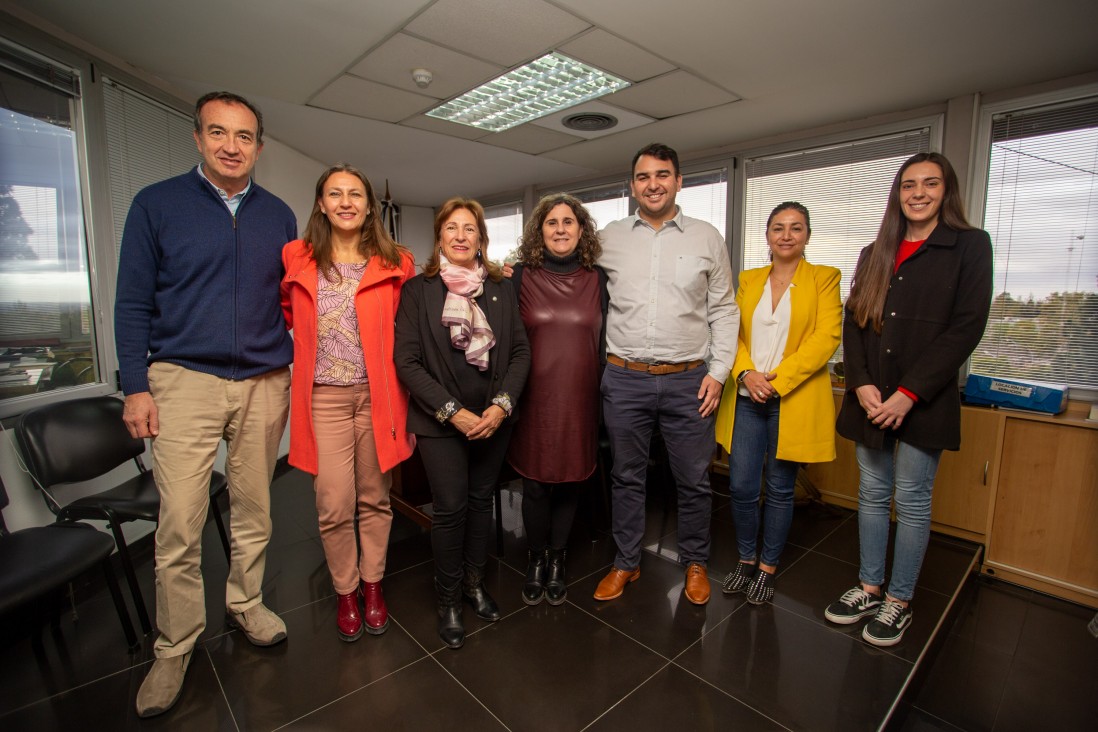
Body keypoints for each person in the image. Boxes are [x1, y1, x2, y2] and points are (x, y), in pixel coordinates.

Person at [115, 91, 295, 717]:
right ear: (197, 138)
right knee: (181, 522)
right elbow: (132, 302)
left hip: (265, 380)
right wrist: (136, 385)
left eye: (244, 136)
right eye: (218, 133)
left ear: (259, 147)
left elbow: (291, 296)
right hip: (182, 379)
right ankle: (176, 644)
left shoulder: (278, 215)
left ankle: (246, 604)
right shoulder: (156, 205)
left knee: (255, 506)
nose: (230, 146)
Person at [824, 152, 992, 646]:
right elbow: (853, 323)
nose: (918, 193)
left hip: (924, 399)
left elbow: (967, 328)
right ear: (897, 194)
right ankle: (869, 587)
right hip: (870, 396)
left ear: (947, 190)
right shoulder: (875, 251)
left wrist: (909, 393)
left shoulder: (969, 246)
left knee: (912, 501)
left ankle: (898, 602)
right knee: (872, 495)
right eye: (908, 185)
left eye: (930, 183)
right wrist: (860, 383)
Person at [593, 143, 739, 606]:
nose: (652, 184)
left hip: (689, 380)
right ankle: (626, 562)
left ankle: (695, 562)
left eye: (662, 175)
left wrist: (718, 373)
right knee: (626, 477)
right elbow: (569, 281)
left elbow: (724, 309)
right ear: (632, 185)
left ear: (679, 181)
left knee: (694, 478)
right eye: (643, 176)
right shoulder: (607, 238)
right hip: (625, 378)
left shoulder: (706, 237)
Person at [280, 164, 415, 642]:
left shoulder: (396, 260)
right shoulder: (297, 256)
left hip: (378, 397)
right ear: (320, 203)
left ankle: (373, 586)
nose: (345, 202)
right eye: (334, 193)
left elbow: (411, 328)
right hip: (324, 399)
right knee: (333, 502)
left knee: (375, 498)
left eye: (355, 194)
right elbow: (283, 313)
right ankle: (345, 589)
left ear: (368, 205)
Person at [394, 198, 530, 648]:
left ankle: (474, 584)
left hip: (494, 420)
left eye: (469, 228)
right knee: (450, 509)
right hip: (441, 422)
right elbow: (407, 362)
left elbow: (519, 353)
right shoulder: (419, 291)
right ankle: (448, 598)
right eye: (451, 227)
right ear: (439, 236)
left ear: (481, 239)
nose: (459, 235)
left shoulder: (501, 288)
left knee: (479, 503)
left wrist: (502, 405)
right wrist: (454, 412)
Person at [714, 202, 841, 605]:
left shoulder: (824, 278)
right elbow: (729, 330)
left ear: (807, 235)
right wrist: (747, 374)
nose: (786, 235)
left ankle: (767, 569)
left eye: (796, 228)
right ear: (767, 236)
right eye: (778, 228)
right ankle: (745, 559)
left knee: (781, 488)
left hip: (792, 397)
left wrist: (778, 382)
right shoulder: (749, 280)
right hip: (747, 396)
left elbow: (826, 338)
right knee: (741, 486)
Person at [507, 193, 608, 606]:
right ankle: (535, 558)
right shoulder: (518, 277)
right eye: (552, 222)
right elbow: (507, 341)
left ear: (581, 230)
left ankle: (558, 559)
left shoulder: (598, 278)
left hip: (581, 396)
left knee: (570, 482)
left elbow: (605, 342)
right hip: (533, 398)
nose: (561, 229)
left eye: (569, 222)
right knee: (534, 484)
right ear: (539, 230)